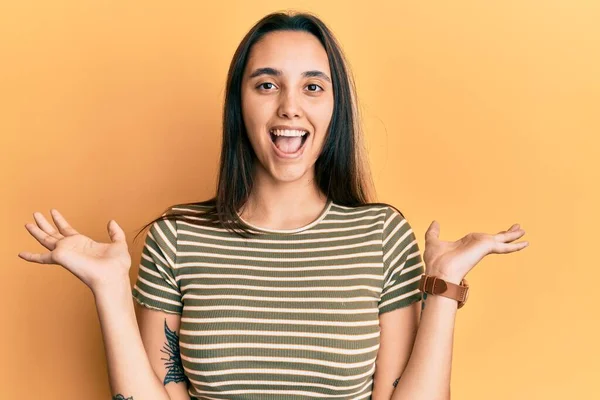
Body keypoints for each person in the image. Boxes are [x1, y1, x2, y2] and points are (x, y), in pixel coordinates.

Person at [18, 11, 529, 400]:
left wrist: (442, 287)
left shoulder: (381, 237)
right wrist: (109, 291)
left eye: (312, 86)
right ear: (239, 105)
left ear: (335, 108)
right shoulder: (178, 238)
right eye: (267, 84)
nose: (290, 105)